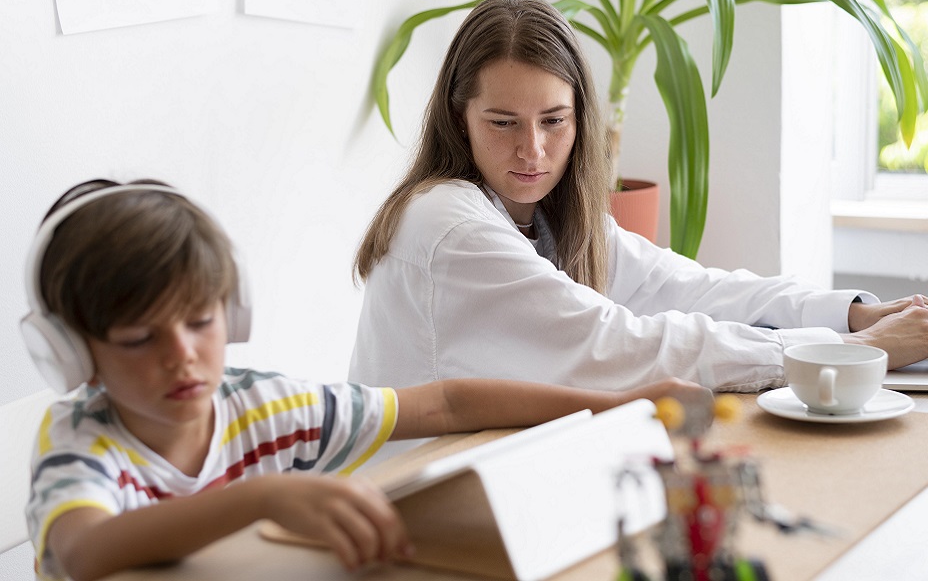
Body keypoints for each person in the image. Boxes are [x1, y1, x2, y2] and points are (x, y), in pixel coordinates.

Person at [21, 179, 712, 581]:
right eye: (140, 339)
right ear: (71, 354)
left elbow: (444, 401)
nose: (182, 356)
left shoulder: (257, 405)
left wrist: (617, 403)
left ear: (231, 312)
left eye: (200, 321)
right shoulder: (80, 442)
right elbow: (85, 551)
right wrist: (264, 497)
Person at [350, 0, 928, 394]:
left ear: (580, 118)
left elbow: (691, 289)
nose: (534, 152)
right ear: (457, 117)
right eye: (503, 123)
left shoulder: (544, 216)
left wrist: (852, 315)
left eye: (553, 121)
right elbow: (620, 343)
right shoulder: (447, 223)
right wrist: (856, 352)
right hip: (415, 506)